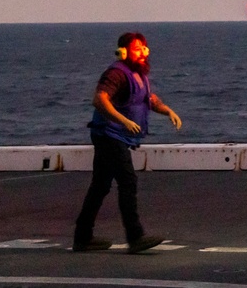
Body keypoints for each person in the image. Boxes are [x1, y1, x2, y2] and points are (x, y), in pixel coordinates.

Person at [73, 31, 182, 253]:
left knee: (101, 185)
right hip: (109, 135)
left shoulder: (138, 74)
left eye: (144, 48)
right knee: (127, 180)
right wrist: (123, 120)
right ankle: (135, 236)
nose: (143, 52)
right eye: (137, 49)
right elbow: (100, 99)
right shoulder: (116, 74)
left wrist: (167, 110)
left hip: (116, 135)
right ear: (123, 52)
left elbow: (148, 99)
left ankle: (83, 237)